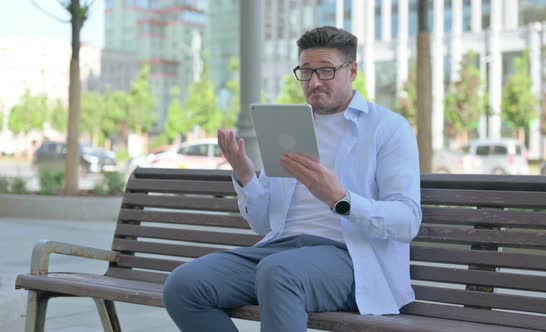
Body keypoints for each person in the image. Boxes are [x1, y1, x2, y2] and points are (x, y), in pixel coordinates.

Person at [162, 26, 422, 332]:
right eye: (306, 71)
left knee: (279, 272)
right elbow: (264, 224)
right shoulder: (289, 126)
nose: (314, 82)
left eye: (326, 71)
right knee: (184, 285)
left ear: (352, 71)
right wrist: (246, 176)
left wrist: (341, 200)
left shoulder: (388, 128)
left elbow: (408, 220)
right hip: (279, 251)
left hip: (351, 259)